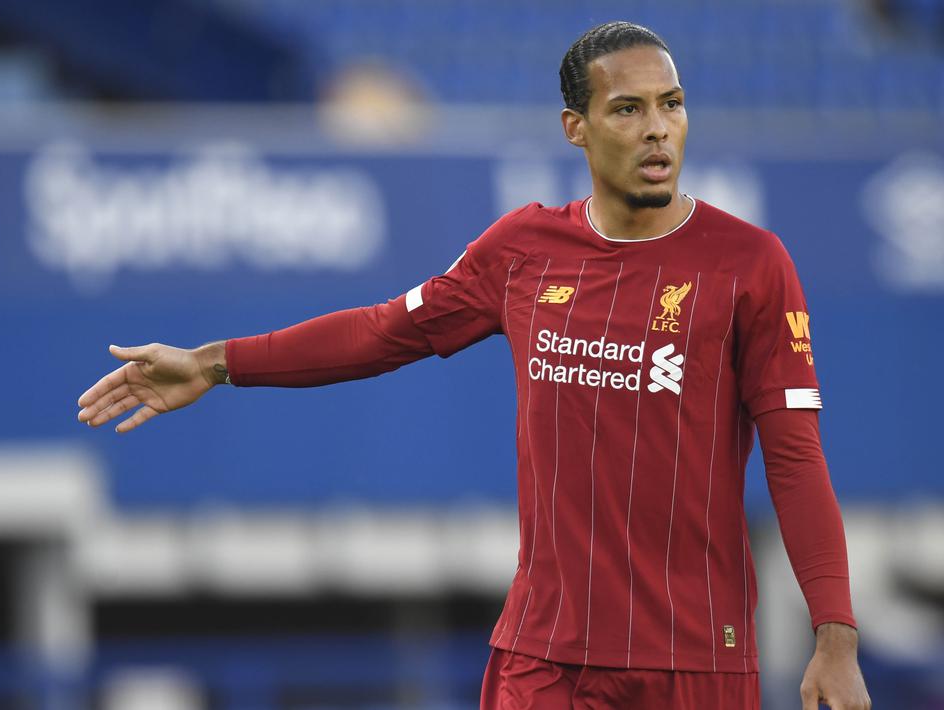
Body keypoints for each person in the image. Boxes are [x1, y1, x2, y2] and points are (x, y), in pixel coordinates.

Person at [77, 21, 871, 710]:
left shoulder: (749, 265)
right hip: (542, 657)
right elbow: (381, 332)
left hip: (690, 660)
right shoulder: (524, 250)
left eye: (672, 104)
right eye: (627, 109)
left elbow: (795, 461)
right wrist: (215, 364)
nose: (657, 128)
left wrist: (834, 635)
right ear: (577, 127)